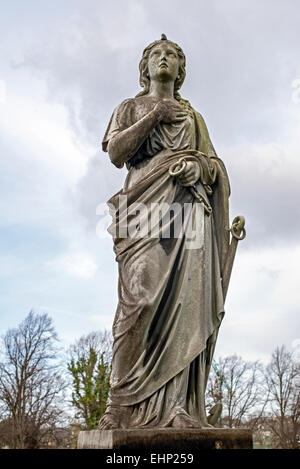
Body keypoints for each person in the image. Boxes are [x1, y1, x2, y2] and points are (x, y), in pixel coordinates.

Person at [98, 34, 230, 429]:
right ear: (145, 67)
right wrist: (155, 115)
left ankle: (177, 407)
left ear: (180, 68)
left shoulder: (193, 118)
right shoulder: (130, 107)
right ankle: (119, 406)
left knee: (184, 308)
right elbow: (117, 153)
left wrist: (198, 168)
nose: (164, 58)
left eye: (172, 54)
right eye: (157, 53)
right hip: (141, 211)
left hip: (187, 212)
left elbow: (212, 165)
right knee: (138, 303)